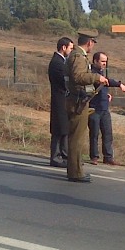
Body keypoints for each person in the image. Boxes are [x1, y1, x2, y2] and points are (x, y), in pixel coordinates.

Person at [65, 29, 109, 183]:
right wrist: (97, 77)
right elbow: (78, 77)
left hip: (77, 100)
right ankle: (75, 172)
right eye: (93, 43)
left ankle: (75, 169)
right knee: (76, 138)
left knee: (76, 137)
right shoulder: (78, 56)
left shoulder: (77, 55)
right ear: (90, 42)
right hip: (77, 102)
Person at [88, 52, 125, 166]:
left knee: (107, 133)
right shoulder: (91, 73)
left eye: (106, 61)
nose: (104, 64)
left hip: (104, 108)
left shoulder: (103, 72)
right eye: (102, 61)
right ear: (95, 61)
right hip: (94, 108)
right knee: (94, 133)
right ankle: (94, 156)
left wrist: (106, 95)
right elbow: (104, 81)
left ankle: (108, 157)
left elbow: (104, 85)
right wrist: (119, 84)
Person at [48, 37, 74, 168]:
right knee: (59, 128)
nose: (71, 51)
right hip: (60, 99)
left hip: (63, 99)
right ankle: (57, 156)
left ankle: (63, 155)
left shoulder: (61, 62)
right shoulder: (57, 63)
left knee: (63, 128)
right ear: (63, 47)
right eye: (70, 48)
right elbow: (65, 82)